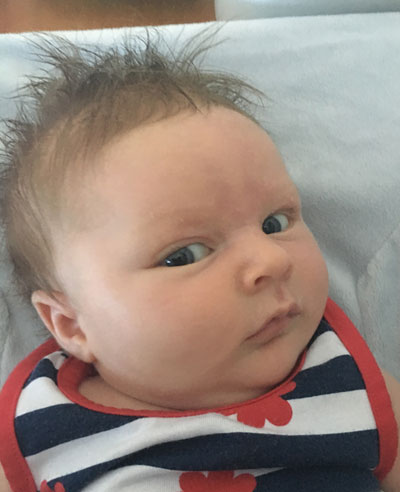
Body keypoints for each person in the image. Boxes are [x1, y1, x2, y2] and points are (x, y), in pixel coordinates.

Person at [0, 27, 399, 492]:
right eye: (183, 256)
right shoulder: (39, 428)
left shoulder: (348, 378)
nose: (270, 260)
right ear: (72, 325)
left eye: (274, 223)